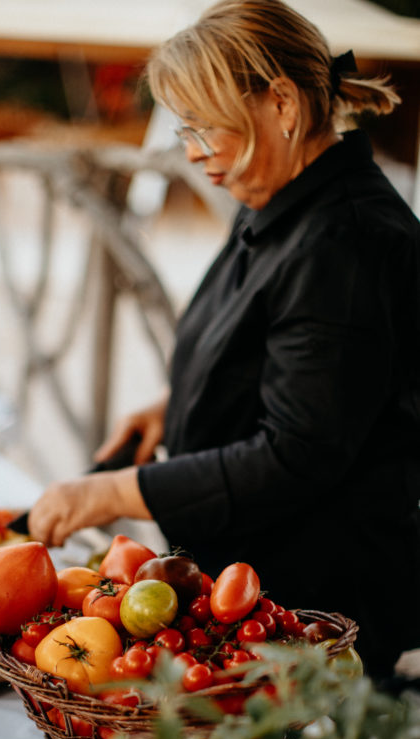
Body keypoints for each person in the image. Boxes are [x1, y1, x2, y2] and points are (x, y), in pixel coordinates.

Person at [27, 0, 420, 681]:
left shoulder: (343, 243)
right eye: (185, 128)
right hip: (256, 592)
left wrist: (114, 492)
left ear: (282, 105)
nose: (192, 153)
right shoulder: (282, 197)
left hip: (316, 616)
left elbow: (295, 455)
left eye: (208, 127)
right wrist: (174, 400)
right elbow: (277, 352)